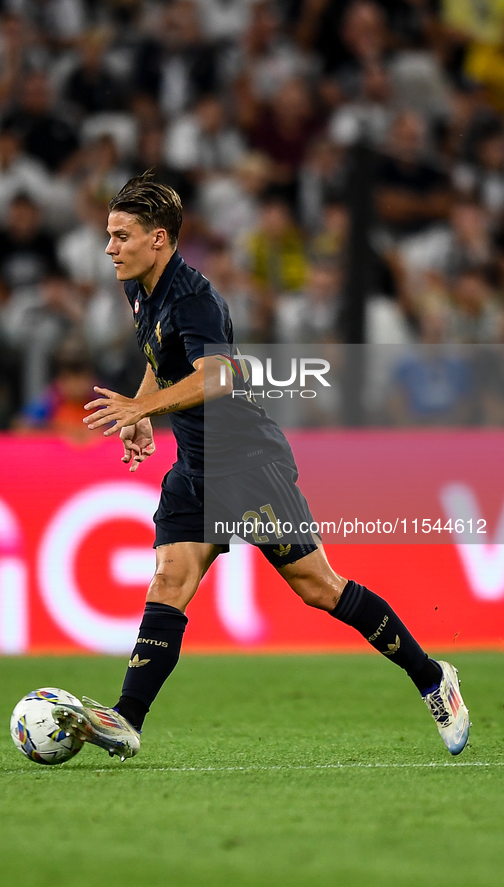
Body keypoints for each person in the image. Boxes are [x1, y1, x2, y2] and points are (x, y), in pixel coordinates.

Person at [52, 171, 470, 762]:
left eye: (121, 236)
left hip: (246, 462)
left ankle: (433, 678)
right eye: (108, 235)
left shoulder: (194, 297)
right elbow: (161, 355)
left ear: (161, 239)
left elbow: (222, 376)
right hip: (196, 465)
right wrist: (142, 413)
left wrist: (143, 405)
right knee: (170, 581)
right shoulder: (138, 285)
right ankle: (127, 718)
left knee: (319, 588)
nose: (109, 248)